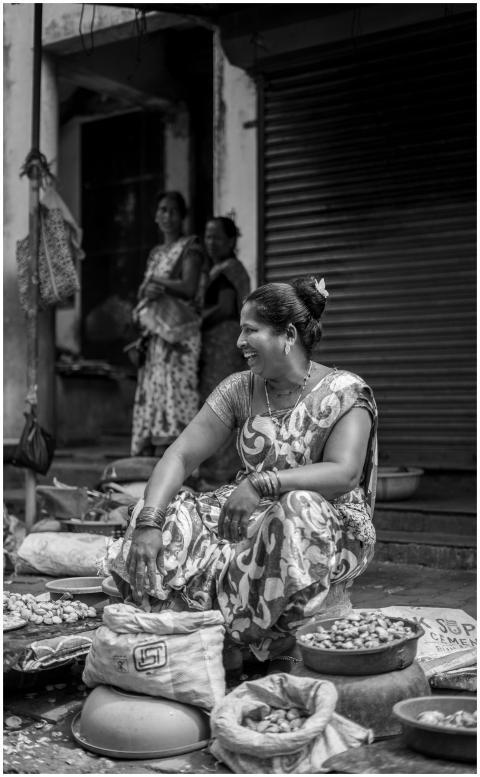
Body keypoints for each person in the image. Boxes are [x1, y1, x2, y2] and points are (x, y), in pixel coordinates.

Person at [112, 275, 378, 666]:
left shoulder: (345, 391)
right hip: (250, 514)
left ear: (288, 335)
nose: (239, 342)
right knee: (163, 511)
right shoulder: (240, 388)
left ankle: (266, 640)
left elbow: (344, 473)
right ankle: (189, 630)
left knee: (298, 508)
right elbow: (180, 456)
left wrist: (261, 483)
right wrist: (150, 521)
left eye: (250, 330)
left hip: (325, 520)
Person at [130, 191, 209, 457]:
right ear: (156, 216)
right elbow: (143, 292)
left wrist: (157, 283)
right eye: (163, 210)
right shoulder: (155, 254)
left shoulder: (192, 248)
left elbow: (188, 287)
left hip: (181, 335)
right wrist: (147, 291)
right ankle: (155, 452)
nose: (167, 216)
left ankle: (180, 456)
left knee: (178, 392)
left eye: (173, 211)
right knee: (156, 392)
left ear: (183, 216)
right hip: (157, 334)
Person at [198, 216, 251, 486]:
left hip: (223, 346)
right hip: (214, 347)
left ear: (231, 241)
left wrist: (193, 321)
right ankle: (214, 472)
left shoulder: (230, 270)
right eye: (208, 236)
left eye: (217, 237)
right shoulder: (216, 270)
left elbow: (225, 307)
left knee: (221, 406)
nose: (211, 242)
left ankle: (220, 475)